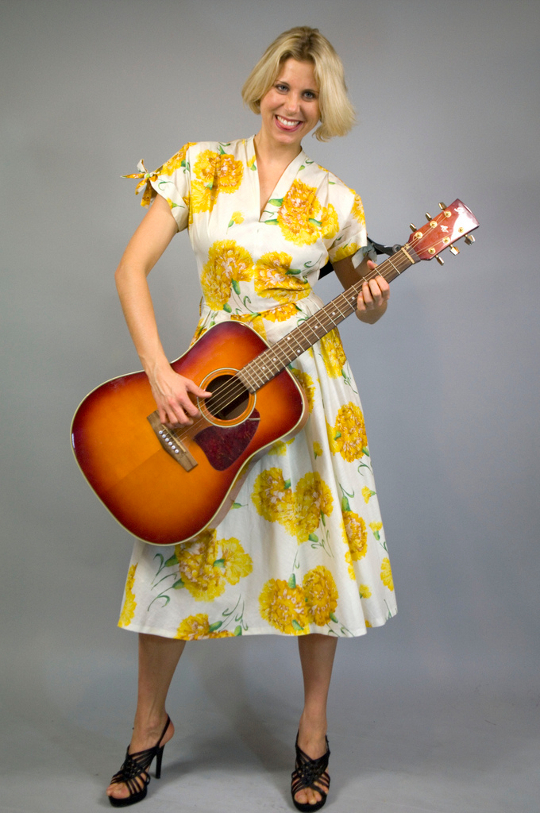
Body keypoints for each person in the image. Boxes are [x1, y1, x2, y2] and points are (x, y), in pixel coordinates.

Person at [107, 26, 396, 811]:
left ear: (323, 105)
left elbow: (360, 301)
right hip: (210, 392)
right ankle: (147, 728)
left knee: (315, 561)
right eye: (283, 87)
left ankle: (311, 735)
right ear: (261, 86)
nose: (292, 105)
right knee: (173, 553)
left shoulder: (335, 198)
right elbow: (131, 269)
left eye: (309, 94)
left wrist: (374, 297)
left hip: (307, 398)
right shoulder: (201, 166)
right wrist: (161, 371)